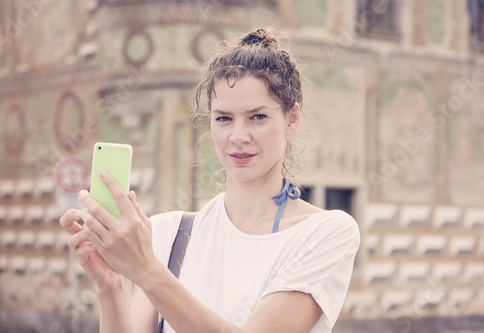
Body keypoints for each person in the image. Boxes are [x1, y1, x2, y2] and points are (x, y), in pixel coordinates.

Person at [60, 27, 360, 333]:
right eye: (224, 118)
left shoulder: (325, 233)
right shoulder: (169, 233)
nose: (238, 137)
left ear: (291, 118)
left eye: (257, 117)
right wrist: (109, 286)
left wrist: (146, 270)